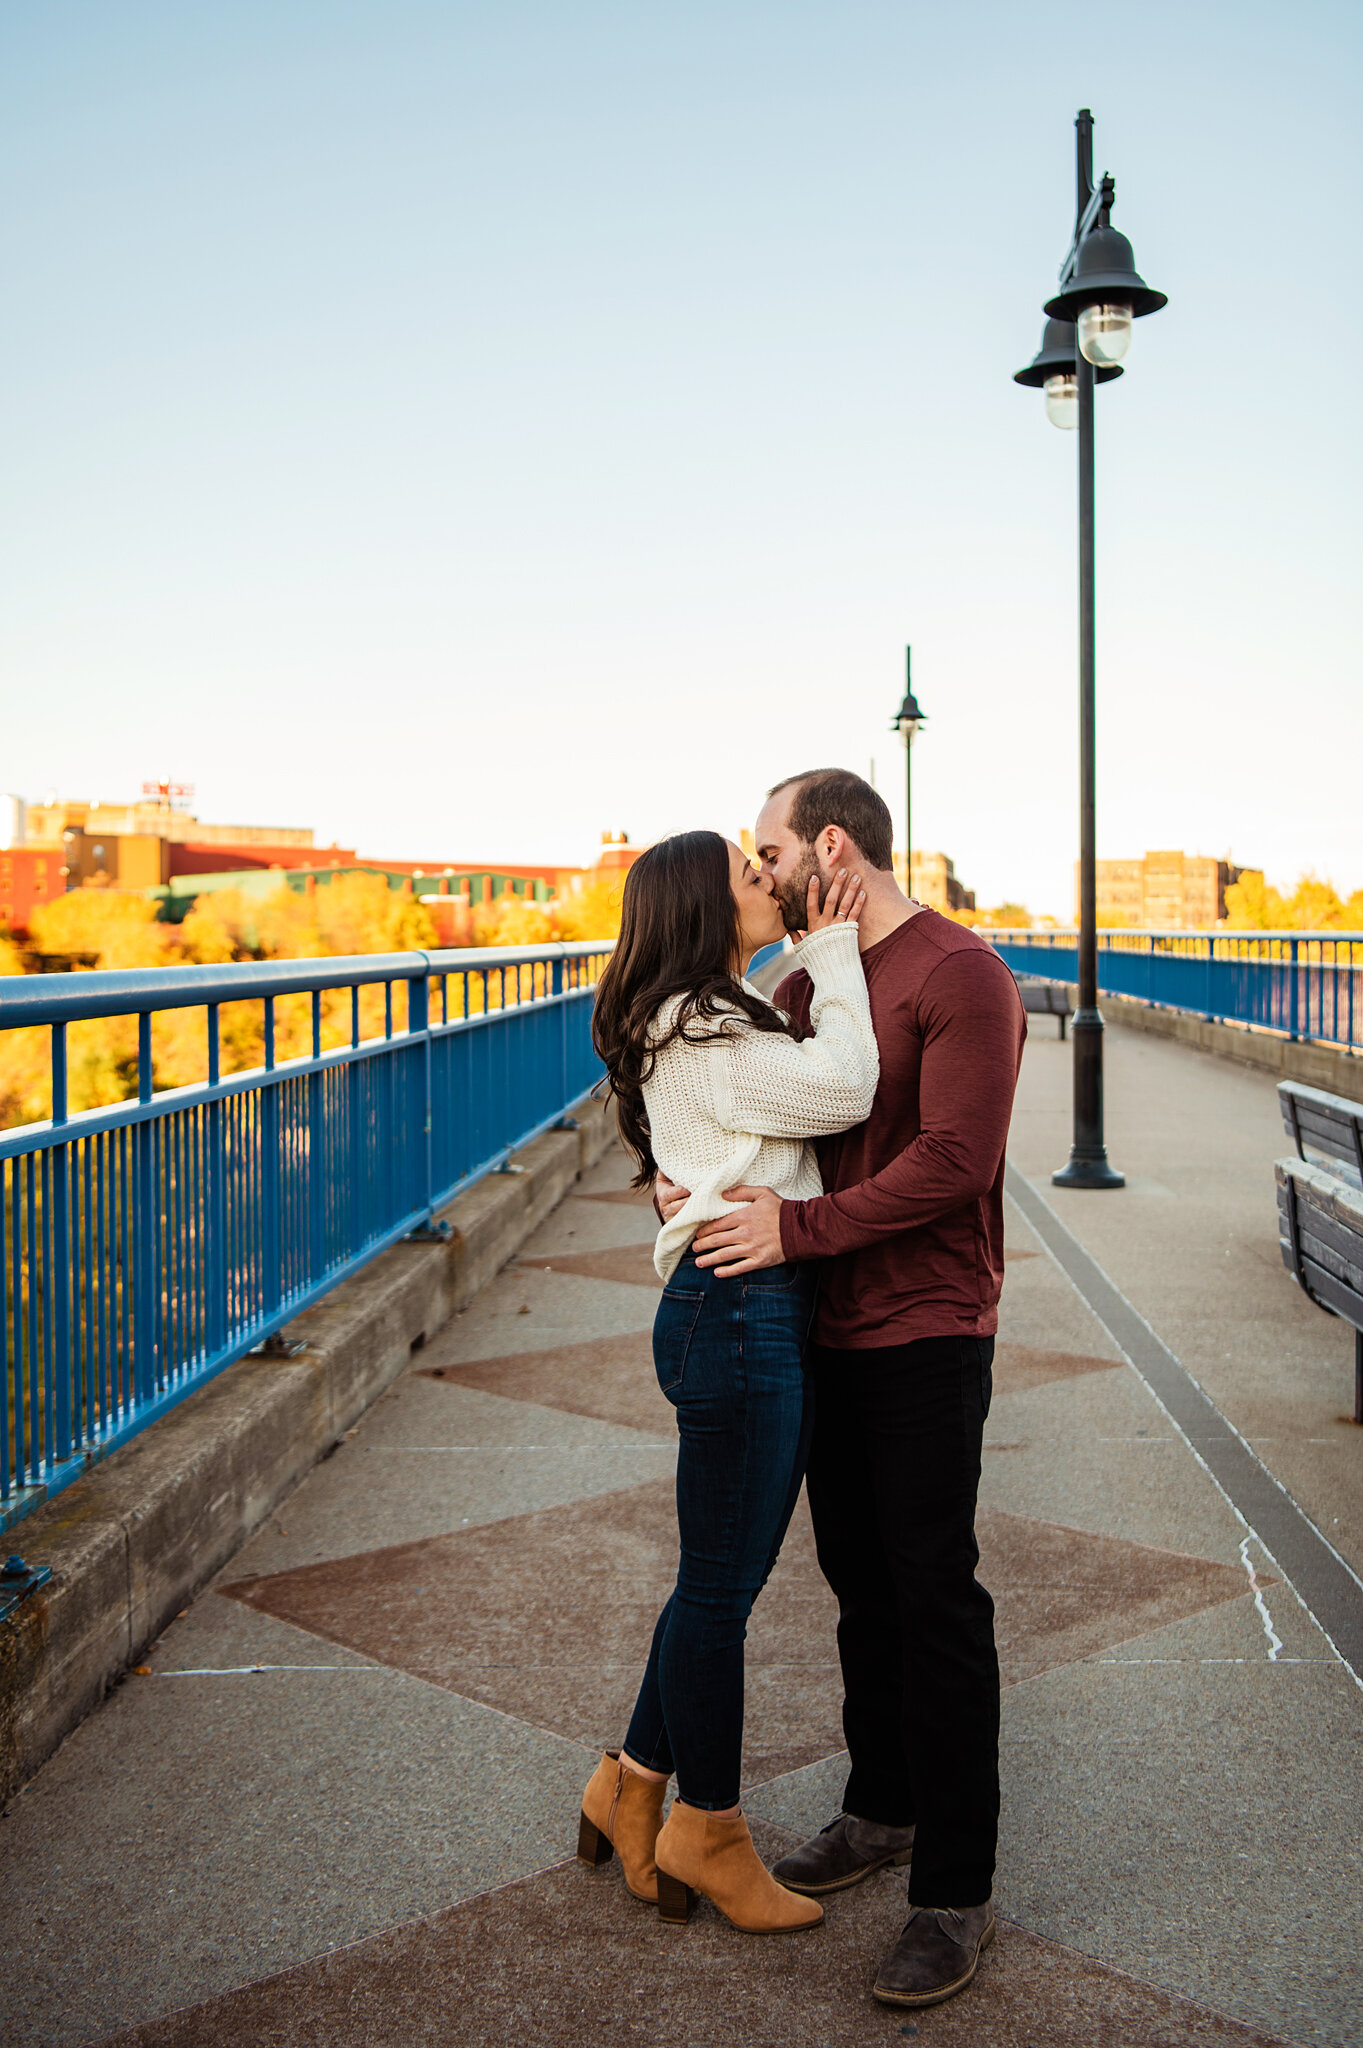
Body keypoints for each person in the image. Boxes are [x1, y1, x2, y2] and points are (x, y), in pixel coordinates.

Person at [661, 768, 1025, 2009]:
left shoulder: (958, 972)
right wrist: (688, 1188)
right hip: (824, 1324)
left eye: (767, 849)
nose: (756, 873)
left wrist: (797, 1239)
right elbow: (752, 1124)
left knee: (932, 1595)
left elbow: (956, 1157)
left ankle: (954, 1889)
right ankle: (881, 1808)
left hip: (925, 1323)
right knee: (859, 1587)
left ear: (829, 844)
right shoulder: (804, 983)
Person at [576, 827, 879, 1935]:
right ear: (705, 907)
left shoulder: (698, 1017)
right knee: (719, 1593)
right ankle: (708, 1824)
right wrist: (837, 941)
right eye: (750, 876)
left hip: (729, 1312)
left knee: (712, 1580)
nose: (769, 882)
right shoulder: (702, 1023)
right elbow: (844, 1086)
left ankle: (630, 1783)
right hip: (738, 1317)